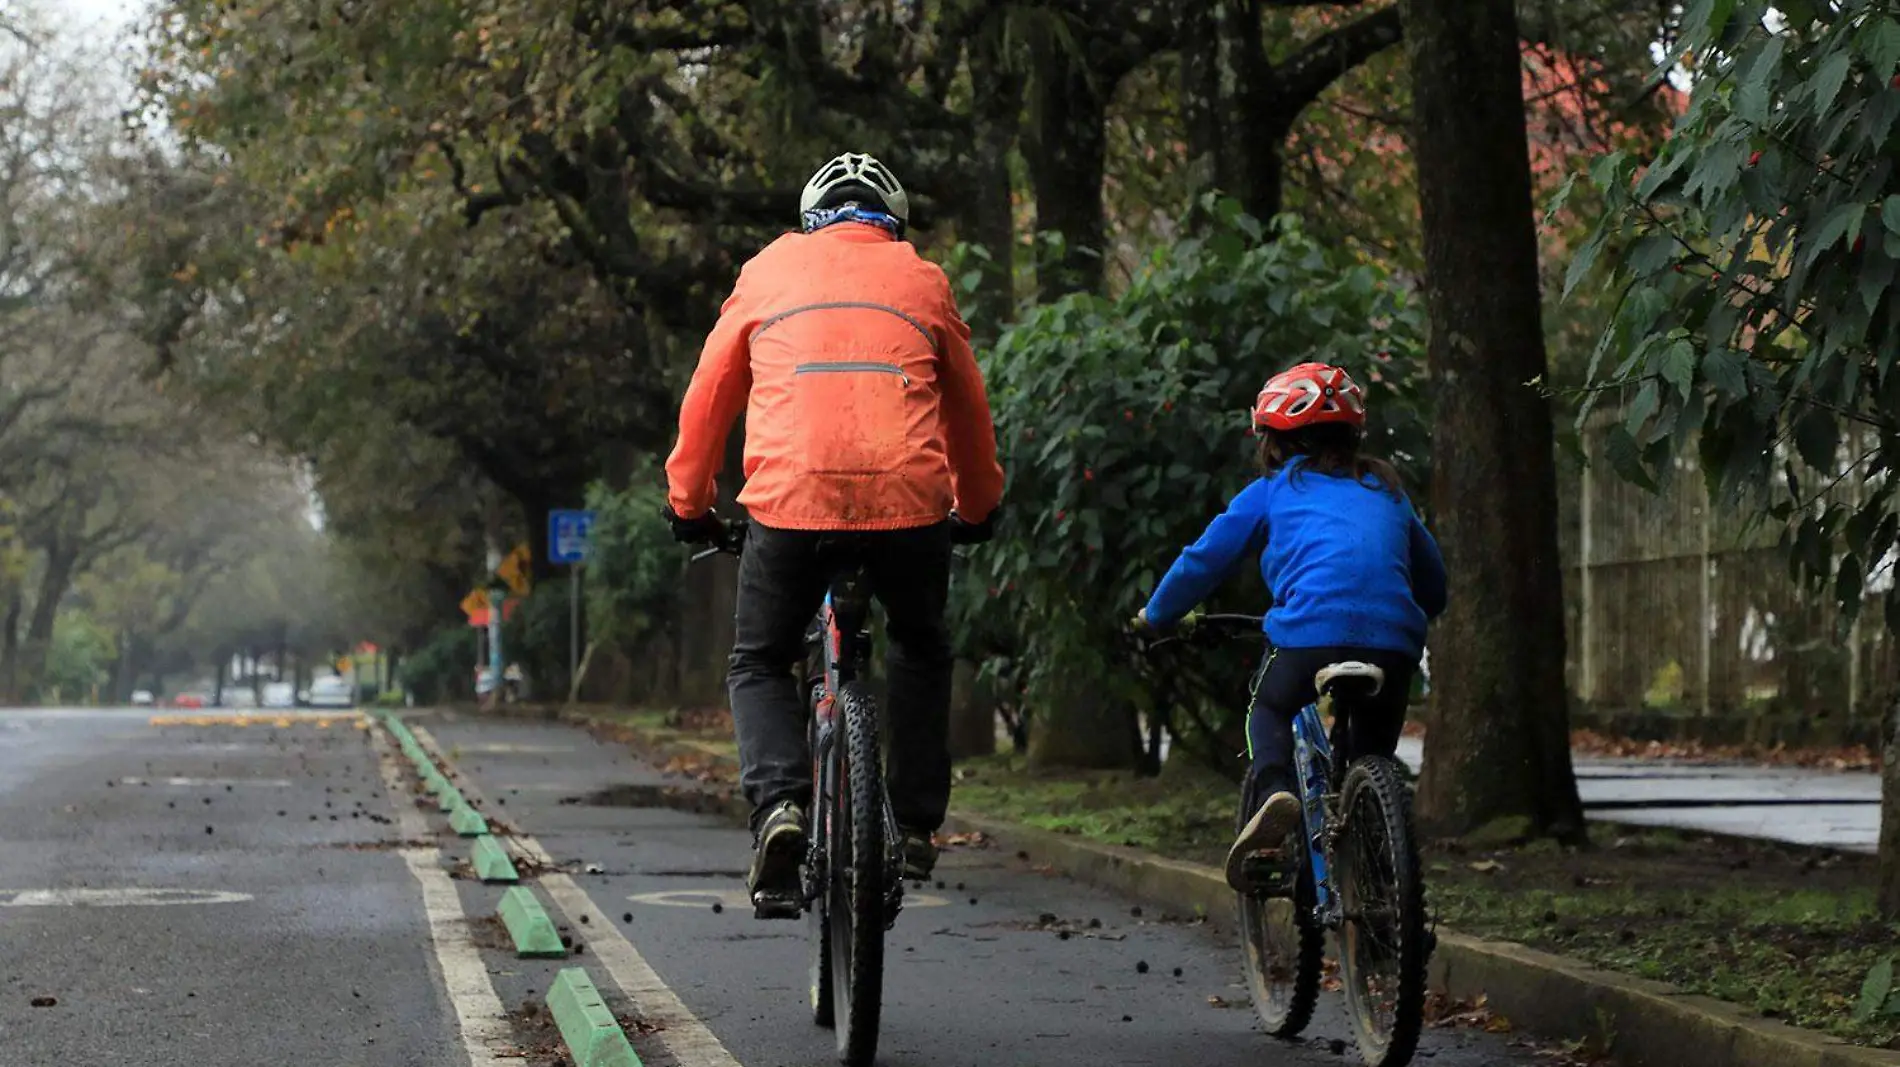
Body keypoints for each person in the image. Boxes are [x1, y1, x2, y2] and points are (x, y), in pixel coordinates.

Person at [661, 151, 1005, 915]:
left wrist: (689, 502)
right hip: (910, 500)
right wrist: (977, 505)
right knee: (920, 644)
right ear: (894, 221)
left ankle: (781, 805)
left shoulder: (767, 271)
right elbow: (967, 412)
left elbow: (709, 396)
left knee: (757, 661)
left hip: (789, 500)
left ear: (812, 216)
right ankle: (913, 822)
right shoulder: (923, 278)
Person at [1134, 362, 1445, 890]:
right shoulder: (1388, 489)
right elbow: (1434, 584)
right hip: (1394, 645)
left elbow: (1205, 559)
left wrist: (1156, 614)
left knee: (1269, 706)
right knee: (1371, 755)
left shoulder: (1274, 490)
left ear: (1274, 441)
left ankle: (1276, 791)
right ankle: (1378, 871)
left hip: (1307, 636)